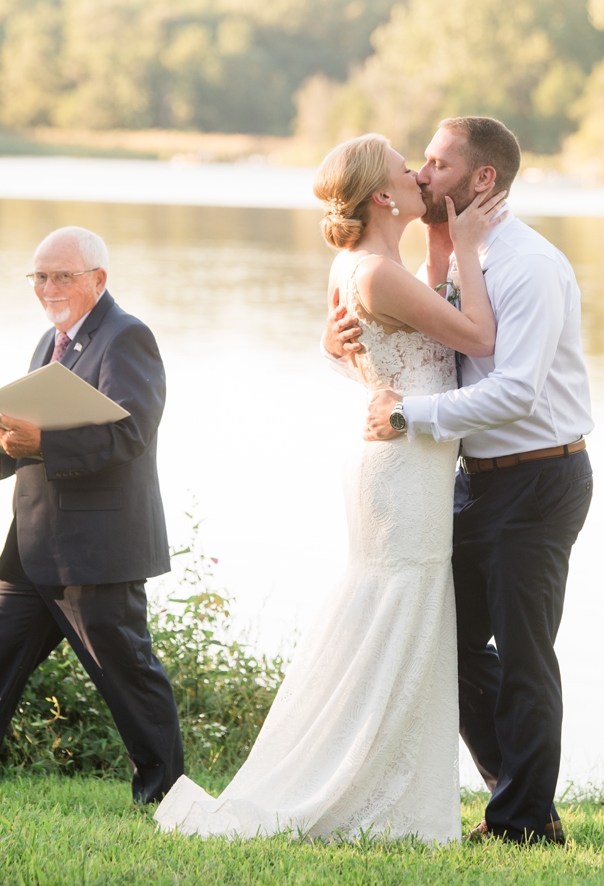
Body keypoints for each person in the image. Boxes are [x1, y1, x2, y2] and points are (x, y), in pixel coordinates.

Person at [153, 133, 506, 841]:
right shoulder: (374, 270)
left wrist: (437, 243)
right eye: (406, 169)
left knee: (396, 611)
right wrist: (467, 241)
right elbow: (478, 336)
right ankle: (366, 787)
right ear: (382, 195)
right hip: (402, 466)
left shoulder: (365, 265)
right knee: (400, 606)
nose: (417, 175)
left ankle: (395, 781)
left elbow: (349, 347)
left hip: (400, 458)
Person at [327, 117, 595, 844]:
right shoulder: (458, 254)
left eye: (438, 164)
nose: (421, 175)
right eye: (420, 163)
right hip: (473, 477)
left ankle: (522, 824)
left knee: (526, 652)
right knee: (448, 639)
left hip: (540, 478)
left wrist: (407, 415)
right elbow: (424, 336)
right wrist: (344, 340)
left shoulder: (527, 265)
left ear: (482, 180)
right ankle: (520, 794)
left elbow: (516, 393)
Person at [0, 225, 185, 805]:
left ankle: (166, 795)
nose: (48, 287)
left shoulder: (128, 336)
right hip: (32, 541)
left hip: (96, 546)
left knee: (126, 674)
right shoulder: (48, 340)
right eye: (40, 276)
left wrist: (38, 445)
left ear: (97, 279)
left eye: (62, 276)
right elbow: (31, 435)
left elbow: (131, 433)